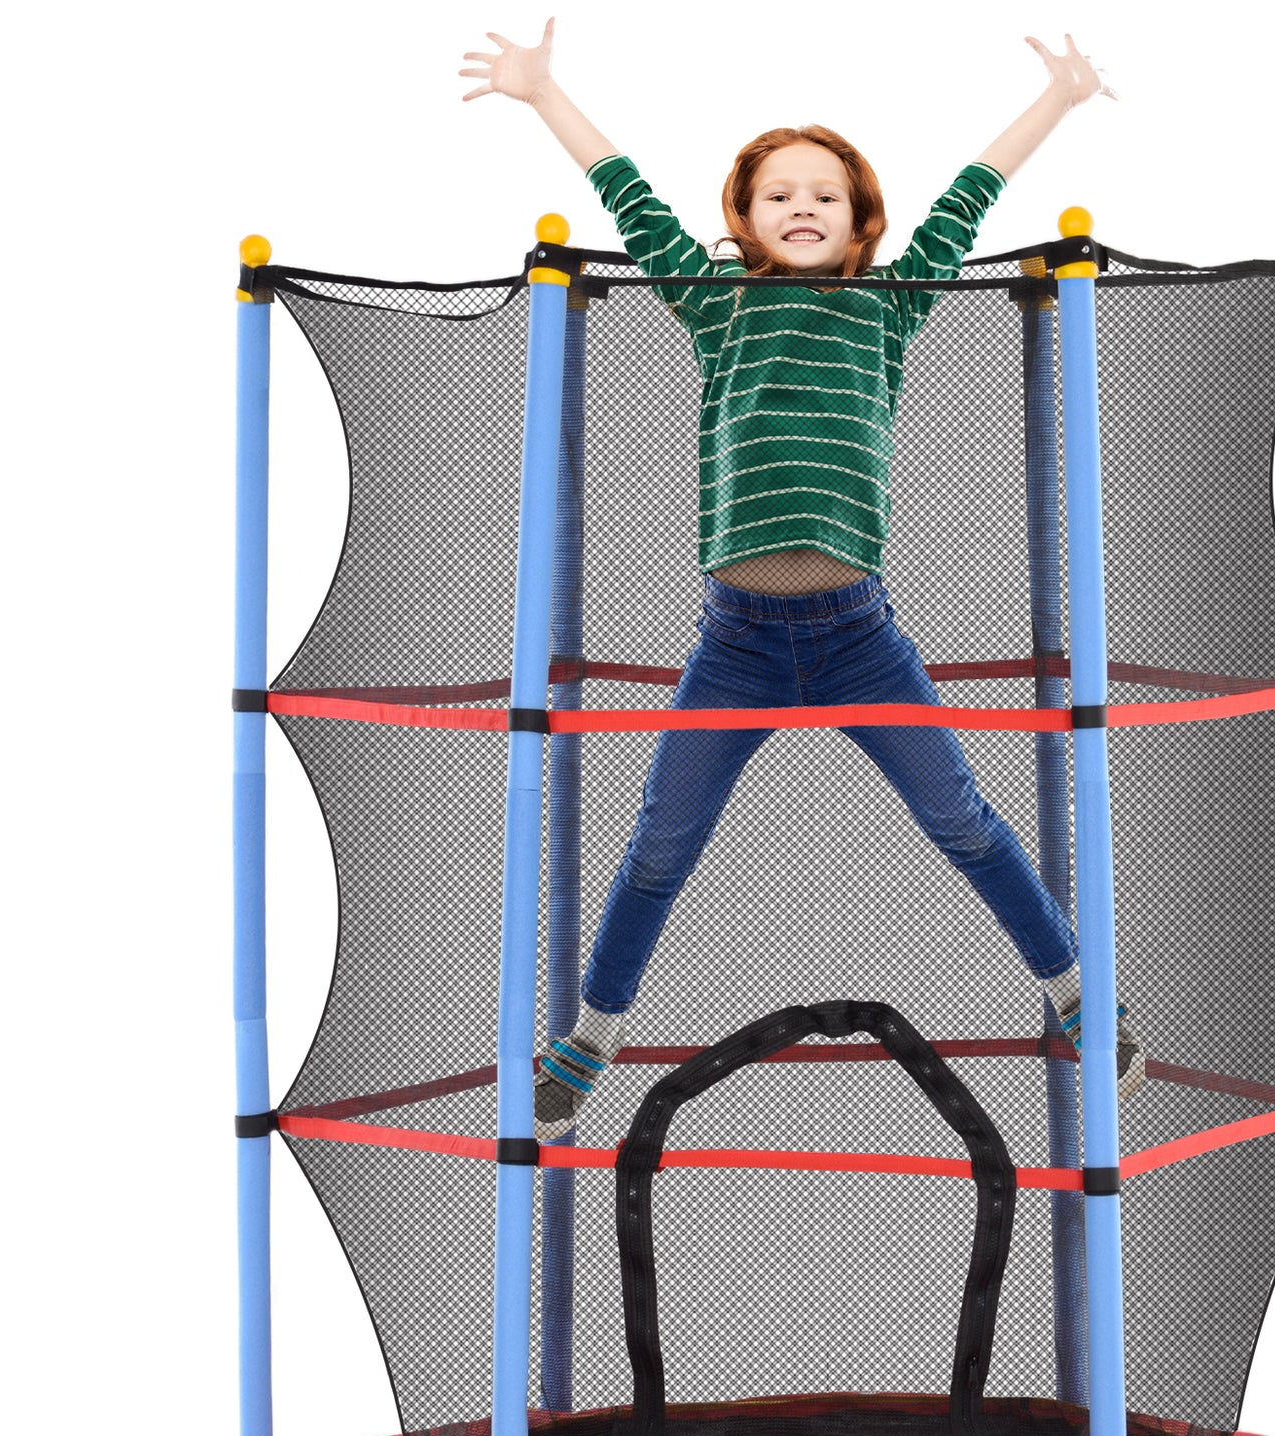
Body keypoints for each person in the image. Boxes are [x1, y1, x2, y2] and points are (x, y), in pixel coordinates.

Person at [460, 19, 1139, 1139]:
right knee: (661, 844)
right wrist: (542, 94)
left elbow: (967, 197)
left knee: (961, 817)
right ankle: (592, 1034)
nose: (802, 206)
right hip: (735, 643)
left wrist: (1058, 101)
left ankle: (1075, 994)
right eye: (778, 195)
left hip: (858, 637)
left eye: (825, 193)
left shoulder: (888, 305)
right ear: (744, 220)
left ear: (861, 221)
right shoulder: (716, 304)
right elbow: (628, 196)